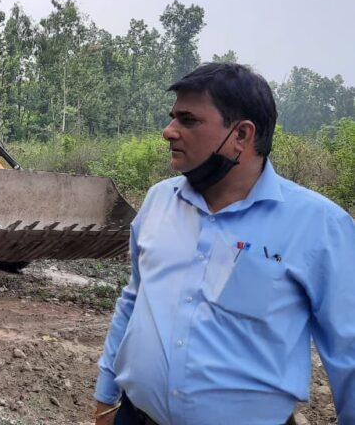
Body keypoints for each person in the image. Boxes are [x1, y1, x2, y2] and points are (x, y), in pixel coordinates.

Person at [93, 63, 355, 425]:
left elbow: (349, 349)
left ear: (242, 135)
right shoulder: (158, 201)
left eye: (188, 120)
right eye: (172, 117)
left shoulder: (319, 226)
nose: (169, 131)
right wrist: (106, 397)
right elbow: (134, 299)